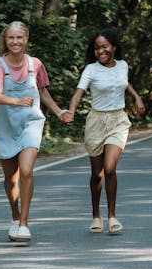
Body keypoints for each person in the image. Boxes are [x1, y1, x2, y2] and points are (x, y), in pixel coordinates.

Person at [61, 28, 145, 234]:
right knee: (96, 174)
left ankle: (112, 216)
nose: (101, 51)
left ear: (114, 48)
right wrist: (70, 111)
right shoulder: (91, 70)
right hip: (96, 122)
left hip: (118, 120)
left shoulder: (123, 65)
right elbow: (78, 93)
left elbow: (123, 84)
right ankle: (96, 215)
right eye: (97, 48)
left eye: (105, 47)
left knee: (109, 169)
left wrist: (137, 97)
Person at [0, 21, 66, 243]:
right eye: (11, 38)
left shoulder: (35, 64)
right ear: (6, 40)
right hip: (6, 126)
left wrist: (58, 111)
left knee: (26, 171)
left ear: (26, 39)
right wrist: (16, 100)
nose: (15, 42)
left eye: (19, 38)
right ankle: (14, 217)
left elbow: (42, 91)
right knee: (10, 179)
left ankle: (24, 223)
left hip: (31, 122)